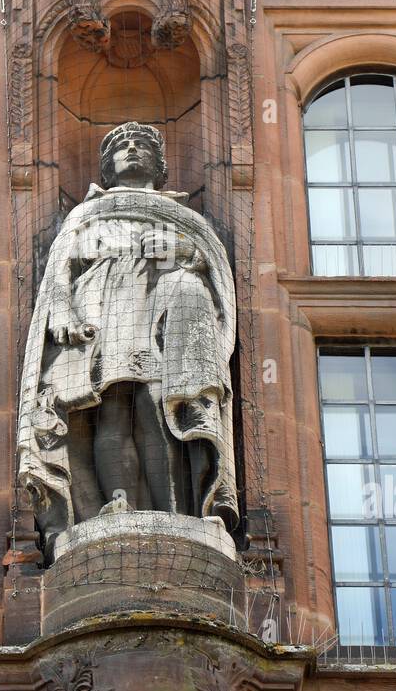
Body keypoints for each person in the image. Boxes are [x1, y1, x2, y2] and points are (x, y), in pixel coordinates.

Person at [17, 122, 239, 558]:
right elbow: (58, 271)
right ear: (107, 165)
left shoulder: (182, 217)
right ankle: (115, 501)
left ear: (159, 166)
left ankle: (177, 511)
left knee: (158, 404)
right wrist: (62, 309)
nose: (132, 148)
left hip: (163, 306)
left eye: (142, 144)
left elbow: (211, 265)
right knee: (110, 410)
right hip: (102, 308)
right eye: (122, 144)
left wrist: (178, 249)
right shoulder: (87, 214)